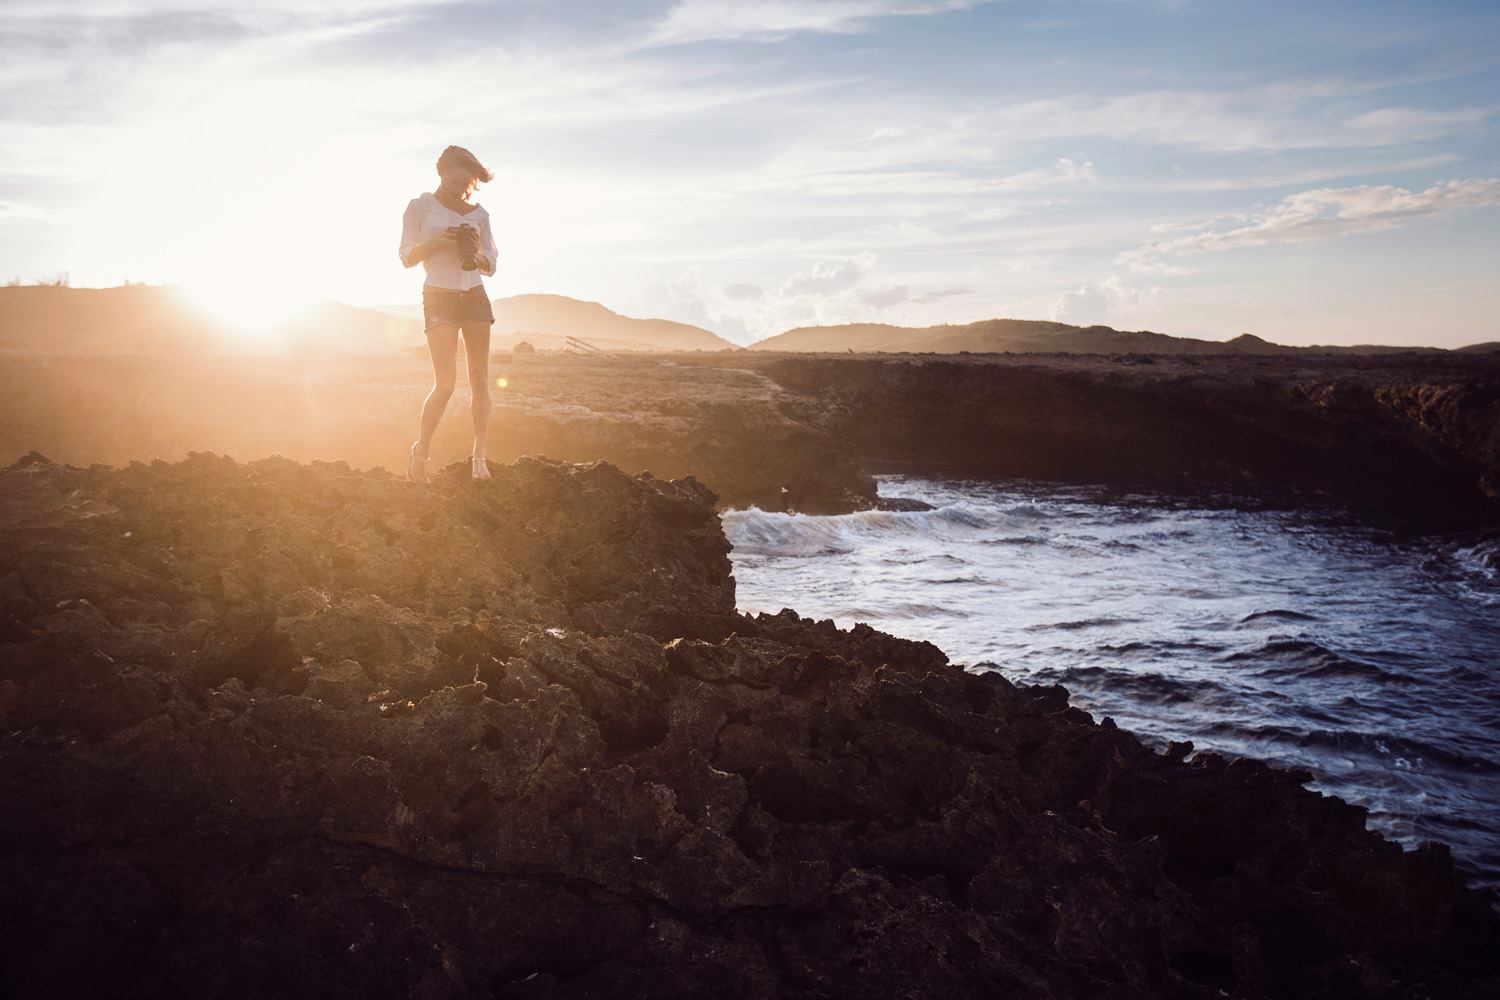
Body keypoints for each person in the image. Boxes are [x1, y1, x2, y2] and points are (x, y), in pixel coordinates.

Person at [398, 144, 501, 482]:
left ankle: (479, 457)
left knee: (480, 379)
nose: (459, 188)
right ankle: (420, 453)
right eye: (454, 181)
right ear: (440, 173)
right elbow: (408, 258)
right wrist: (439, 242)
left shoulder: (479, 215)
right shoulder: (419, 207)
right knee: (445, 383)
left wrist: (474, 248)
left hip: (475, 295)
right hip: (439, 296)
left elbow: (491, 265)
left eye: (465, 183)